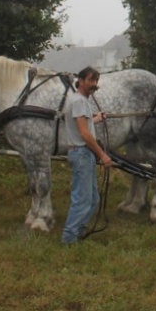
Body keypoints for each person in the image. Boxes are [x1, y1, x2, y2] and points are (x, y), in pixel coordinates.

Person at [61, 67, 111, 245]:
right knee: (82, 199)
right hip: (82, 153)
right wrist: (102, 154)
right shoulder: (79, 101)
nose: (94, 85)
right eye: (90, 80)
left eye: (96, 81)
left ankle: (78, 232)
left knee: (93, 199)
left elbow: (82, 124)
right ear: (80, 81)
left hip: (84, 154)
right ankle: (69, 238)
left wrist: (95, 118)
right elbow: (84, 134)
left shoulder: (79, 101)